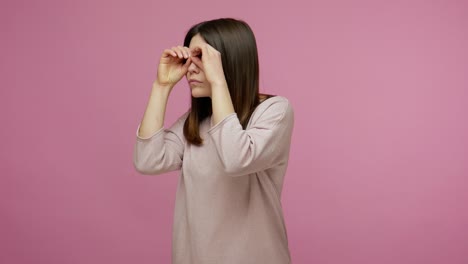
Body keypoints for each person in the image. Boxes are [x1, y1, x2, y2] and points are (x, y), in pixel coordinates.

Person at [133, 18, 294, 264]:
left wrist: (219, 81)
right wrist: (162, 86)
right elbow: (147, 161)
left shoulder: (274, 110)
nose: (190, 69)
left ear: (229, 60)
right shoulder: (196, 122)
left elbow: (236, 159)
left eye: (201, 58)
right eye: (189, 58)